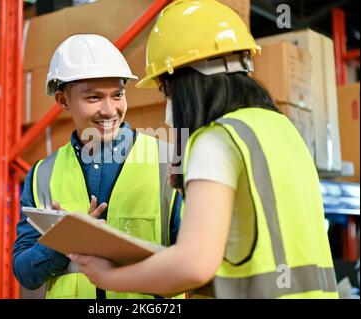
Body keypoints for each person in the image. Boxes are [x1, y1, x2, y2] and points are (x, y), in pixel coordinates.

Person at [69, 0, 340, 299]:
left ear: (184, 84)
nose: (168, 104)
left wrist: (110, 277)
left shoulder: (216, 140)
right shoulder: (283, 128)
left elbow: (194, 265)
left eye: (166, 90)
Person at [12, 34, 183, 299]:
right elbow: (24, 272)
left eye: (118, 95)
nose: (109, 110)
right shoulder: (42, 175)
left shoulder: (170, 161)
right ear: (62, 100)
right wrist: (64, 242)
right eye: (93, 98)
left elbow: (195, 260)